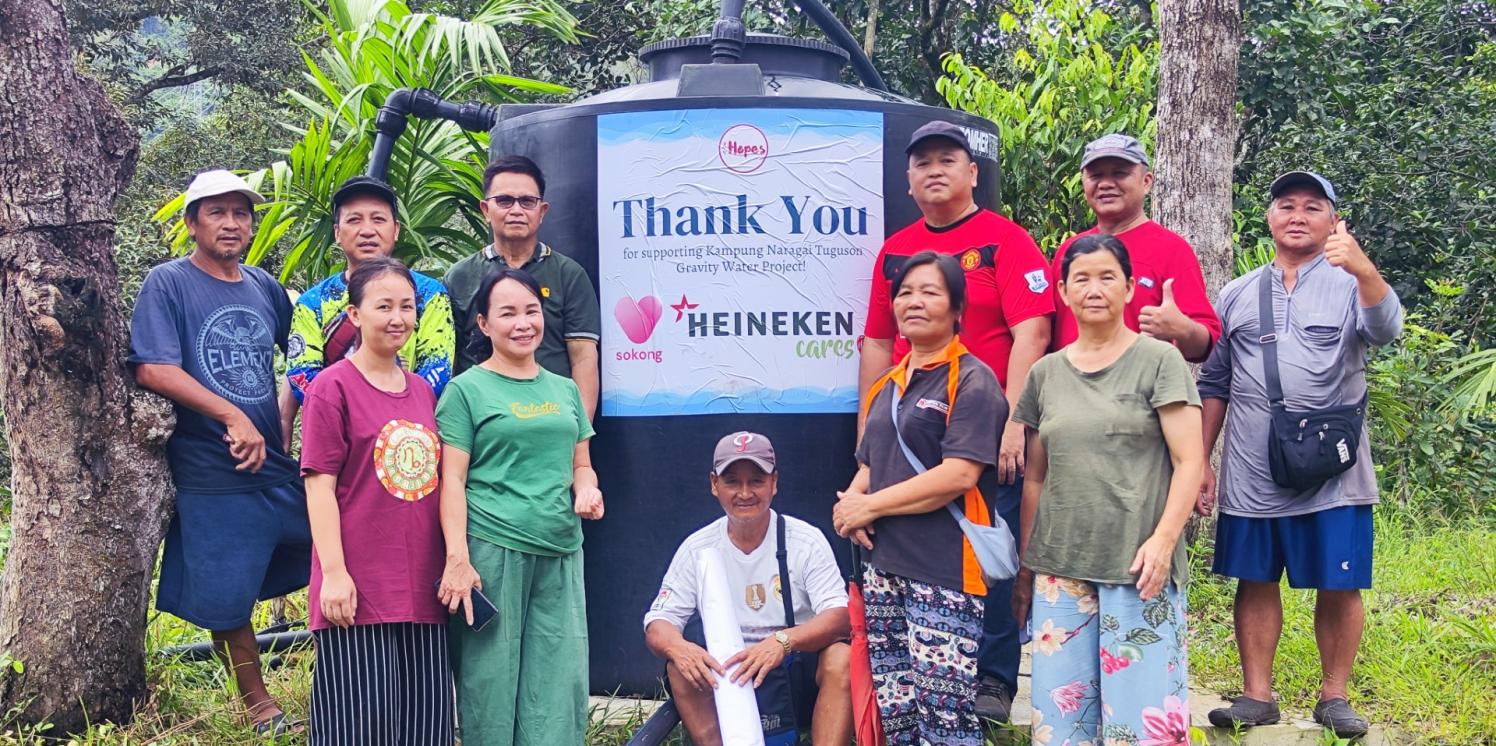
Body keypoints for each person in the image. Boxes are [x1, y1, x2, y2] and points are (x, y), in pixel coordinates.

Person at [858, 121, 1052, 722]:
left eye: (948, 159)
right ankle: (918, 685)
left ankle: (992, 679)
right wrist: (868, 436)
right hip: (911, 424)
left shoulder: (1006, 240)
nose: (935, 170)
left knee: (986, 548)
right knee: (911, 547)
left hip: (985, 426)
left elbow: (1032, 332)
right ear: (908, 180)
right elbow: (877, 342)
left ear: (972, 173)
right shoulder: (896, 251)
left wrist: (1015, 422)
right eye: (923, 162)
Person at [1200, 172, 1402, 739]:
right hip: (1251, 464)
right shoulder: (1237, 293)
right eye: (1286, 205)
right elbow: (1215, 380)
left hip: (1335, 470)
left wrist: (1363, 268)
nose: (1297, 215)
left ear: (1333, 221)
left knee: (1339, 581)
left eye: (1313, 207)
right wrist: (1202, 461)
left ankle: (1334, 696)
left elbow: (1387, 329)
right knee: (1254, 578)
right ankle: (1257, 695)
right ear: (1269, 218)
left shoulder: (1351, 283)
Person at [128, 169, 309, 737]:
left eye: (241, 213)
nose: (231, 223)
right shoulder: (168, 282)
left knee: (336, 547)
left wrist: (286, 413)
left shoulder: (263, 286)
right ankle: (259, 707)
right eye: (217, 213)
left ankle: (350, 677)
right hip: (212, 469)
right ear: (192, 223)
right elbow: (153, 367)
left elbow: (304, 352)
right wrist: (231, 415)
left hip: (273, 465)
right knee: (226, 597)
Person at [1010, 234, 1204, 745]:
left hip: (1138, 565)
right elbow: (1036, 478)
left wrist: (1164, 541)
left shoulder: (1159, 361)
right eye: (1081, 279)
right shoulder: (1045, 374)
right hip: (1061, 570)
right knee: (1060, 727)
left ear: (1129, 288)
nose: (1094, 289)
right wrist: (1028, 567)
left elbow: (1189, 461)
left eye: (1107, 277)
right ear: (1063, 291)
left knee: (1140, 727)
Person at [835, 251, 1004, 745]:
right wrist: (850, 506)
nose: (914, 302)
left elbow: (958, 474)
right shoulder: (886, 385)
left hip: (944, 572)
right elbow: (870, 466)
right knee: (899, 716)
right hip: (884, 569)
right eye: (905, 292)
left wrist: (870, 506)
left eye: (930, 292)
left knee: (944, 719)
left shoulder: (972, 380)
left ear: (957, 308)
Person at [434, 267, 605, 745]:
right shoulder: (465, 390)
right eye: (507, 313)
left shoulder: (564, 389)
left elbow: (582, 464)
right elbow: (452, 481)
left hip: (561, 549)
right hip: (493, 551)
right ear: (484, 324)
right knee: (489, 683)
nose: (523, 323)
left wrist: (586, 490)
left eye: (531, 311)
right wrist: (457, 559)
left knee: (560, 685)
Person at [300, 257, 452, 745]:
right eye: (383, 306)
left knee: (424, 728)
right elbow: (319, 486)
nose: (397, 318)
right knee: (356, 729)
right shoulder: (331, 388)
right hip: (358, 588)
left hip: (422, 589)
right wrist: (334, 574)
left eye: (407, 306)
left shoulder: (423, 393)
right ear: (355, 315)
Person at [644, 432, 853, 746]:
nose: (745, 493)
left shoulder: (805, 540)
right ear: (714, 484)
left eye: (756, 481)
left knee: (841, 657)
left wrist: (783, 641)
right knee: (679, 667)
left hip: (793, 671)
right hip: (729, 678)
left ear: (774, 483)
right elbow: (658, 623)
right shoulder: (697, 547)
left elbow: (841, 616)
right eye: (732, 482)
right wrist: (679, 647)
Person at [283, 175, 455, 445]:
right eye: (354, 220)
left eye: (378, 219)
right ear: (337, 232)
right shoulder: (312, 303)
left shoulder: (429, 294)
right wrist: (354, 418)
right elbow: (301, 374)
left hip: (411, 437)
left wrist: (390, 417)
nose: (367, 230)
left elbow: (437, 367)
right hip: (336, 438)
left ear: (395, 230)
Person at [444, 156, 602, 418]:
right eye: (504, 200)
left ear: (542, 211)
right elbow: (447, 358)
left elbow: (583, 358)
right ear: (485, 209)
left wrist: (580, 432)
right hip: (481, 420)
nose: (516, 210)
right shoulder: (460, 277)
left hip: (551, 419)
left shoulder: (568, 274)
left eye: (527, 201)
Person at [1050, 134, 1221, 361]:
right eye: (1096, 175)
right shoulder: (1069, 250)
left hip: (1141, 382)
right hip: (1070, 381)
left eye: (1120, 173)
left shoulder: (1171, 249)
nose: (1106, 184)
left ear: (1146, 182)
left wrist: (1183, 328)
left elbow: (1205, 344)